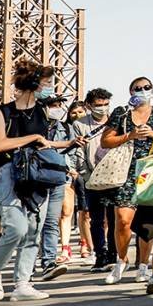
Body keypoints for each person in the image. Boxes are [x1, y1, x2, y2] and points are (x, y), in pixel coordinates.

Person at [0, 59, 86, 302]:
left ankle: (23, 282)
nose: (49, 87)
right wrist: (32, 137)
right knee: (16, 228)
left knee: (33, 230)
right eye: (46, 83)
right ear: (32, 84)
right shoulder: (3, 112)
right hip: (9, 171)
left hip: (37, 172)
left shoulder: (41, 111)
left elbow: (43, 143)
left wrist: (68, 144)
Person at [99, 78, 153, 285]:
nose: (142, 91)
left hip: (152, 170)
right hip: (126, 170)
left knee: (147, 222)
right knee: (123, 219)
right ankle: (121, 260)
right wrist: (129, 135)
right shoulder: (121, 113)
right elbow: (105, 141)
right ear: (130, 91)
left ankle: (143, 264)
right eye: (138, 88)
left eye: (146, 87)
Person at [73, 88, 116, 271]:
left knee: (114, 218)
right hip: (92, 176)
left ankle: (114, 254)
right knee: (96, 219)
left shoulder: (116, 121)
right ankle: (100, 255)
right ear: (89, 105)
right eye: (99, 105)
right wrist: (85, 174)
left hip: (114, 175)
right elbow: (78, 152)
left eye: (106, 104)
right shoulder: (80, 124)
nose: (103, 108)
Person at [37, 95, 78, 281]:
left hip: (58, 176)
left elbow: (71, 152)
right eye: (54, 105)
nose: (58, 108)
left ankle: (48, 262)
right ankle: (28, 266)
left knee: (52, 221)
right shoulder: (35, 127)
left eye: (60, 105)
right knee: (35, 224)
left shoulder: (66, 128)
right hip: (37, 177)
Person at [65, 101, 92, 258]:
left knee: (90, 212)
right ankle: (83, 243)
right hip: (71, 172)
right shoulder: (65, 129)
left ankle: (90, 242)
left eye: (80, 112)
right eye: (74, 113)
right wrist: (71, 169)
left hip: (88, 172)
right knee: (77, 211)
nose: (77, 115)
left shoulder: (91, 128)